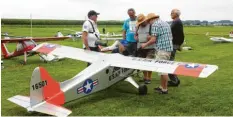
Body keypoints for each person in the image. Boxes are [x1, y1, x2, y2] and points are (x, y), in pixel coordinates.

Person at [141, 13, 173, 94]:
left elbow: (153, 40)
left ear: (151, 19)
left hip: (162, 50)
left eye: (148, 21)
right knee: (162, 69)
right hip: (168, 49)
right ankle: (161, 86)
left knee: (163, 70)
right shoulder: (165, 23)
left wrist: (145, 44)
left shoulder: (155, 24)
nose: (148, 23)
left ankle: (164, 89)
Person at [135, 14, 155, 84]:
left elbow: (155, 36)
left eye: (142, 22)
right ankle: (145, 77)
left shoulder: (151, 25)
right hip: (140, 47)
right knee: (142, 62)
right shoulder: (137, 26)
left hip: (150, 47)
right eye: (140, 22)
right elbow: (135, 35)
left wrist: (150, 37)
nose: (141, 23)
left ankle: (149, 78)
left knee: (149, 62)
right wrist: (136, 37)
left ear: (145, 20)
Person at [168, 9, 185, 86]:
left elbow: (180, 34)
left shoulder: (176, 22)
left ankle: (174, 81)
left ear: (176, 14)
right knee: (170, 61)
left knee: (169, 62)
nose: (170, 14)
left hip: (173, 44)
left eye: (172, 13)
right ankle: (175, 80)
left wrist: (177, 44)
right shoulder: (176, 21)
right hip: (174, 44)